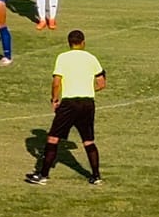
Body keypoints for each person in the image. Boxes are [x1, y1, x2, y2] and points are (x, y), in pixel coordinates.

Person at [25, 29, 106, 186]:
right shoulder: (91, 58)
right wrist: (88, 90)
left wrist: (54, 99)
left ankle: (43, 175)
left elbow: (56, 82)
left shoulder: (63, 57)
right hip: (88, 103)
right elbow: (102, 83)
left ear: (69, 43)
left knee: (53, 138)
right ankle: (96, 176)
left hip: (69, 103)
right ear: (83, 43)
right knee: (88, 140)